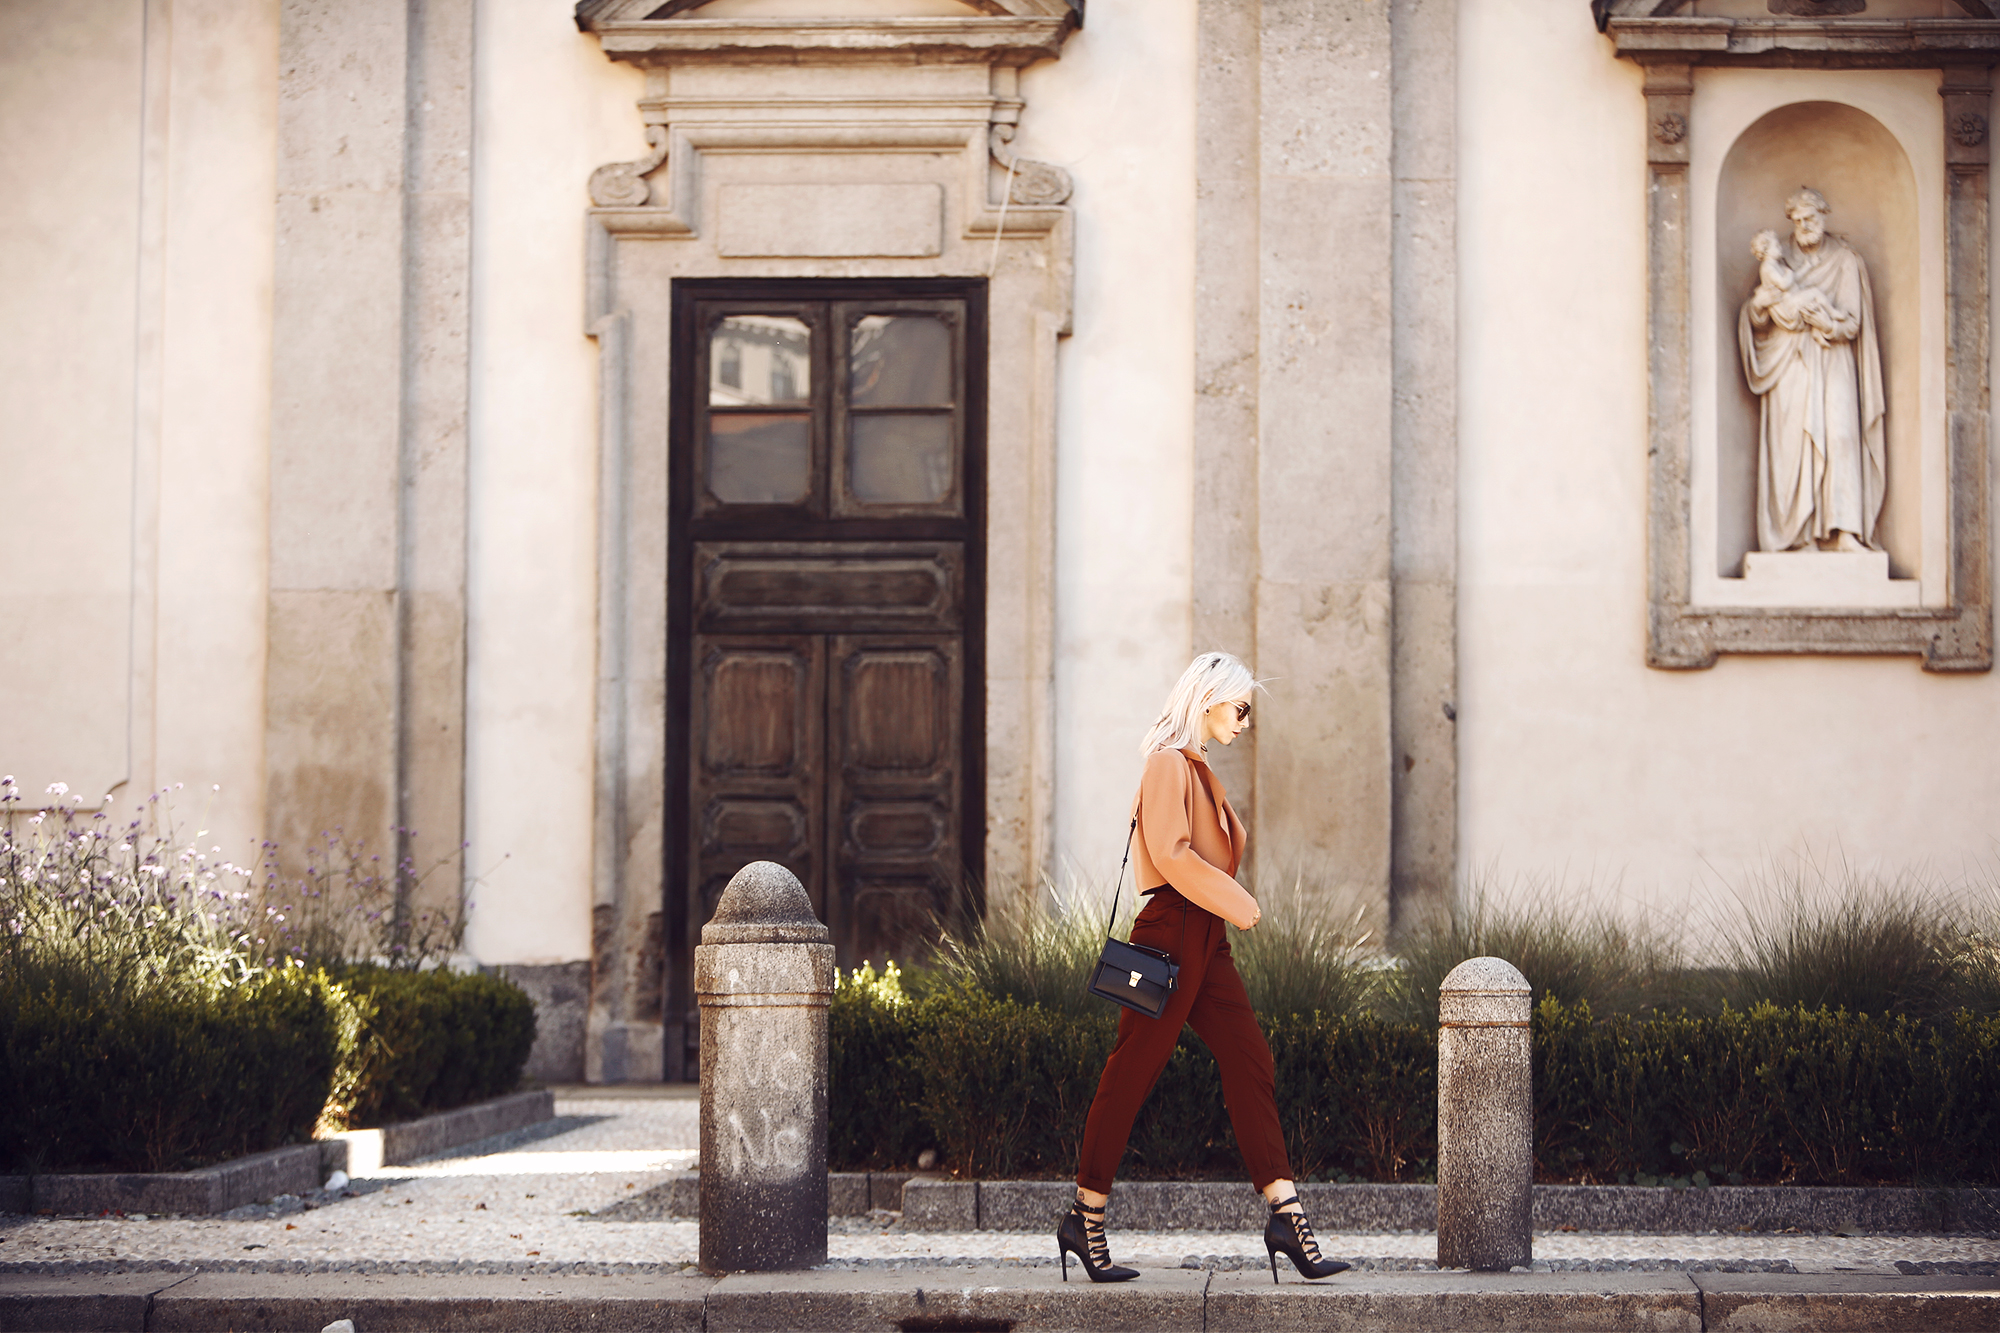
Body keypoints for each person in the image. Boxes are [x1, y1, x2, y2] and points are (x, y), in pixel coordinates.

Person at [1057, 651, 1350, 1286]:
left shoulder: (1198, 769)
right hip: (1172, 930)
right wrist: (1237, 901)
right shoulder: (1167, 763)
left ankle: (1286, 1217)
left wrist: (1223, 911)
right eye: (1239, 708)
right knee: (1130, 1073)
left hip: (1204, 938)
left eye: (1248, 711)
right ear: (1207, 698)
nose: (1244, 720)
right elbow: (1171, 853)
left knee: (1251, 1061)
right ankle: (1085, 1216)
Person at [1738, 187, 1887, 555]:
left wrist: (1827, 324)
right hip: (1789, 363)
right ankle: (1796, 537)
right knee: (1792, 445)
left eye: (1811, 218)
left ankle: (1846, 532)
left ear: (1824, 216)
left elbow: (1853, 323)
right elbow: (1756, 318)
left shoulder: (1845, 261)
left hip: (1833, 358)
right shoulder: (1777, 258)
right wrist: (1758, 306)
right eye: (1799, 220)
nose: (1805, 225)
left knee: (1841, 438)